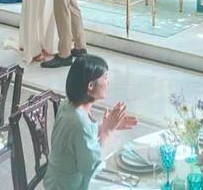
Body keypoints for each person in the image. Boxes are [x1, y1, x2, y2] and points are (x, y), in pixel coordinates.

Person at [44, 54, 138, 190]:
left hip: (55, 180)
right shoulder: (80, 122)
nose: (108, 82)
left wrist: (107, 125)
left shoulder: (67, 104)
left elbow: (80, 138)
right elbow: (93, 167)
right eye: (105, 77)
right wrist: (106, 131)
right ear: (90, 85)